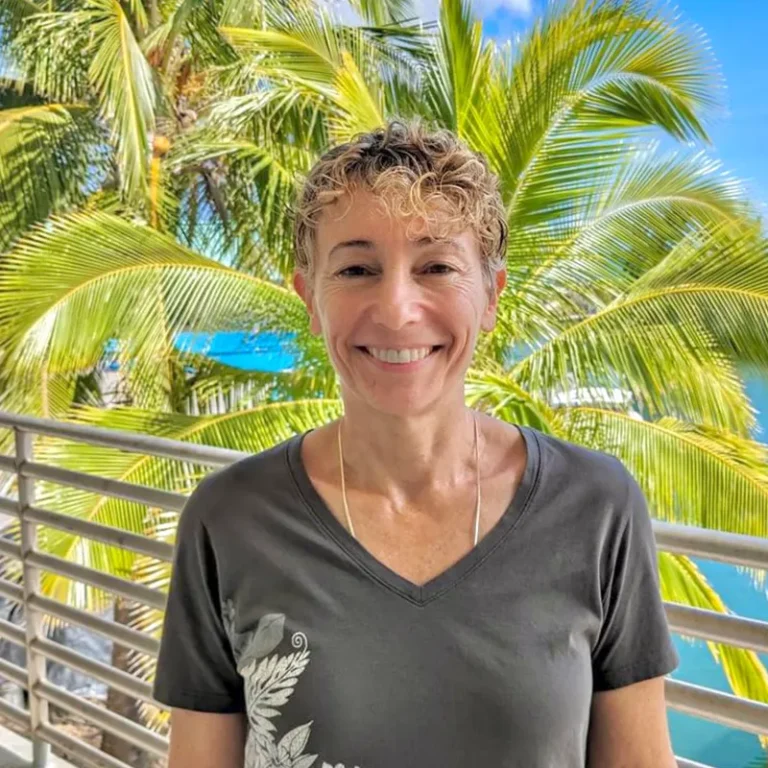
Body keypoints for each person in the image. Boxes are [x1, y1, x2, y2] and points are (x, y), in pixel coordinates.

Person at [152, 119, 680, 768]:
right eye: (356, 267)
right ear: (309, 299)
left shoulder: (596, 509)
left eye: (436, 265)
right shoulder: (230, 519)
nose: (398, 308)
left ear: (491, 295)